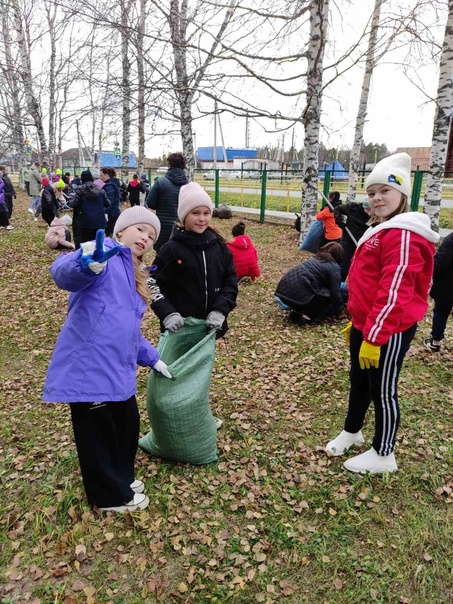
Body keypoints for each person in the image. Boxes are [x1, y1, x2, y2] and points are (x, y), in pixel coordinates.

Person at [42, 207, 171, 513]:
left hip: (117, 370)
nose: (146, 238)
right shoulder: (103, 256)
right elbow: (62, 271)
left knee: (126, 425)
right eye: (140, 229)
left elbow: (125, 330)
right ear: (121, 231)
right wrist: (86, 265)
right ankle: (108, 496)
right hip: (90, 368)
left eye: (152, 236)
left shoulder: (134, 272)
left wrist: (152, 358)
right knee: (97, 436)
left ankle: (121, 478)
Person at [325, 153, 439, 474]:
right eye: (372, 192)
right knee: (358, 380)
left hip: (388, 330)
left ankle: (383, 453)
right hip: (367, 324)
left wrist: (374, 335)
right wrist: (357, 323)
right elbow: (367, 283)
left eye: (385, 191)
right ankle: (352, 430)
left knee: (382, 388)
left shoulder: (403, 234)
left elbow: (395, 291)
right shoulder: (381, 229)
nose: (376, 198)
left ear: (402, 194)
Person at [148, 182, 238, 428]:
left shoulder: (219, 246)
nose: (202, 219)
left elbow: (231, 281)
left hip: (207, 329)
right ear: (183, 216)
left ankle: (197, 416)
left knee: (200, 375)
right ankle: (173, 419)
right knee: (176, 374)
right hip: (180, 328)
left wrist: (221, 310)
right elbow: (151, 282)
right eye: (195, 213)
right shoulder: (170, 249)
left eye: (206, 213)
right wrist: (167, 313)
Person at [275, 242, 344, 324]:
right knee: (326, 295)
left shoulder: (313, 259)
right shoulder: (334, 267)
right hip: (300, 297)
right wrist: (340, 306)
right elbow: (335, 293)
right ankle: (308, 317)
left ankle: (297, 312)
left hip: (283, 294)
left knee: (312, 290)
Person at [146, 152, 188, 251]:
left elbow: (150, 203)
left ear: (169, 165)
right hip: (182, 226)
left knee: (162, 254)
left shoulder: (160, 182)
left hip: (163, 226)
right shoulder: (188, 185)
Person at [424, 232, 453, 353]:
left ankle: (435, 342)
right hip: (447, 286)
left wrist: (430, 273)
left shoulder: (451, 239)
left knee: (441, 312)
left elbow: (440, 261)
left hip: (447, 286)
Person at [68, 170, 110, 248]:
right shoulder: (101, 191)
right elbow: (108, 204)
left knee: (86, 244)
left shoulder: (80, 191)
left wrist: (70, 200)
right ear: (92, 179)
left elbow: (73, 204)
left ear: (82, 179)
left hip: (85, 222)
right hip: (99, 222)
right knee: (97, 244)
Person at [334, 199, 371, 281]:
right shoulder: (353, 208)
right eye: (368, 210)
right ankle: (338, 284)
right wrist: (339, 222)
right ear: (363, 207)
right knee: (344, 266)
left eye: (371, 211)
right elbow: (337, 209)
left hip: (362, 242)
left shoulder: (376, 215)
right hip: (348, 240)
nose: (369, 213)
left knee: (360, 267)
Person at [100, 168, 121, 236]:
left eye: (101, 175)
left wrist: (105, 212)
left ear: (106, 175)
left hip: (111, 214)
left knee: (109, 234)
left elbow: (109, 201)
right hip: (114, 212)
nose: (101, 177)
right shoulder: (114, 184)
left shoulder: (109, 186)